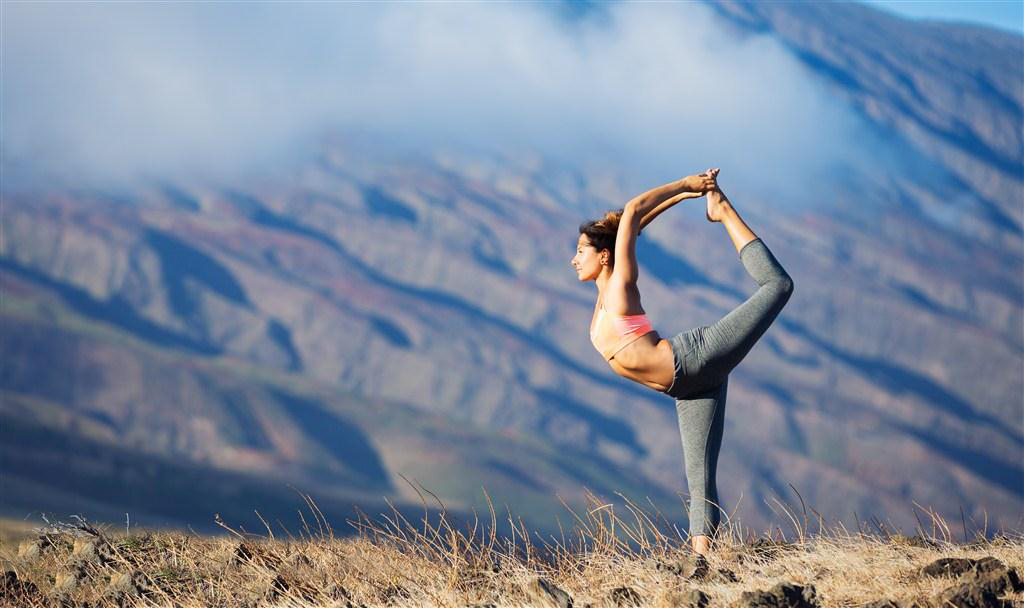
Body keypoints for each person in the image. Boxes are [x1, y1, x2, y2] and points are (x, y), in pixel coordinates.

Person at [570, 168, 794, 556]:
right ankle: (702, 561)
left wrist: (689, 187)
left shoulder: (621, 284)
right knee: (699, 481)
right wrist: (682, 199)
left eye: (580, 251)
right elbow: (632, 223)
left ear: (604, 256)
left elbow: (634, 210)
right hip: (686, 386)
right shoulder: (602, 299)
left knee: (778, 286)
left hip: (695, 358)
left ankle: (723, 211)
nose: (573, 260)